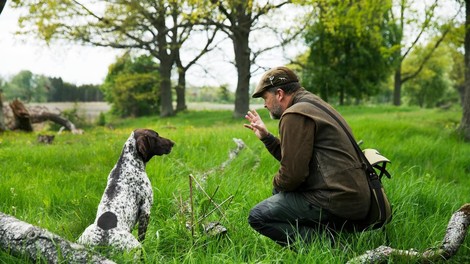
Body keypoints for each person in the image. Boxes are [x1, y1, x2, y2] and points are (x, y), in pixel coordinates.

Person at [244, 66, 371, 247]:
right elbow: (298, 157)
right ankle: (330, 237)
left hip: (339, 199)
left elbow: (292, 174)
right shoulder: (313, 105)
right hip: (355, 196)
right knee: (282, 195)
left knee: (259, 216)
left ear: (279, 93)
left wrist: (277, 188)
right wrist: (267, 138)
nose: (265, 104)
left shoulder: (294, 114)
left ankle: (333, 249)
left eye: (266, 98)